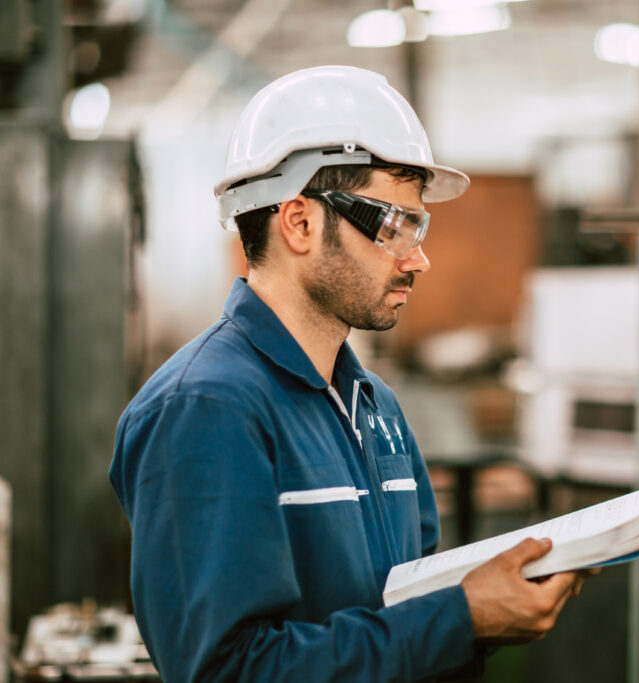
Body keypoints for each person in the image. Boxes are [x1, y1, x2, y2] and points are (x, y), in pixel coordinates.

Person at [109, 65, 595, 682]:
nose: (419, 258)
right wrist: (462, 619)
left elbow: (402, 614)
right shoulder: (205, 409)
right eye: (395, 225)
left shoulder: (374, 405)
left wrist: (488, 606)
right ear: (300, 222)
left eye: (419, 226)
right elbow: (227, 671)